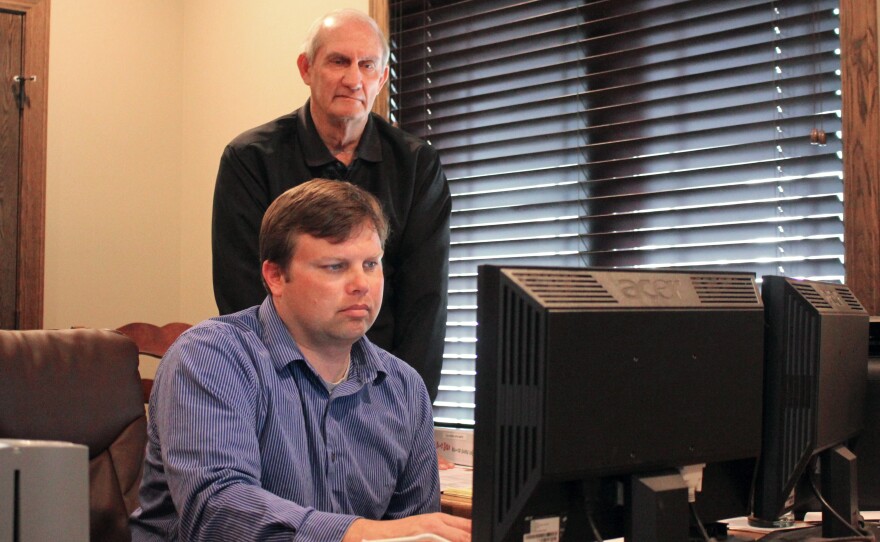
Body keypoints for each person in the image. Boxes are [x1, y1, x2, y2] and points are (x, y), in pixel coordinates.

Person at [130, 179, 471, 542]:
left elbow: (415, 531)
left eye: (371, 264)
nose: (362, 284)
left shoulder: (403, 387)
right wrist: (358, 533)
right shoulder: (210, 358)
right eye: (335, 266)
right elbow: (218, 511)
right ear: (276, 276)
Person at [211, 8, 450, 401]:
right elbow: (242, 292)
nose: (353, 79)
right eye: (338, 61)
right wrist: (285, 395)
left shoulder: (417, 165)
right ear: (306, 68)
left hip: (384, 389)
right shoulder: (250, 159)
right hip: (279, 387)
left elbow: (426, 302)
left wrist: (407, 406)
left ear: (382, 77)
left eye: (367, 65)